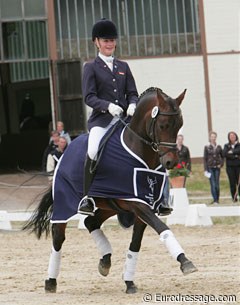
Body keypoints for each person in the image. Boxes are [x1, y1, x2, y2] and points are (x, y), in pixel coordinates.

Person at [78, 18, 138, 215]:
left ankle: (156, 196)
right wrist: (108, 106)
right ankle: (87, 197)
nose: (109, 44)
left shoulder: (123, 66)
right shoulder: (91, 67)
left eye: (112, 40)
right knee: (93, 149)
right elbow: (89, 97)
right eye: (105, 40)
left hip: (124, 120)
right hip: (102, 120)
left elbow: (132, 92)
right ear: (96, 42)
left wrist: (132, 104)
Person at [203, 131, 224, 204]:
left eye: (214, 137)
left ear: (216, 137)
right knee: (213, 184)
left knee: (217, 184)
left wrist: (221, 164)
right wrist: (205, 169)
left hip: (217, 167)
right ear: (210, 138)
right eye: (212, 137)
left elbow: (222, 156)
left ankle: (217, 199)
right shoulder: (207, 147)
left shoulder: (219, 146)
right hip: (210, 167)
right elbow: (205, 158)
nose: (213, 138)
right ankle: (215, 199)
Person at [223, 131, 240, 202]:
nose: (232, 137)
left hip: (238, 166)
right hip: (230, 167)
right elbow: (224, 154)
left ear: (236, 136)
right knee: (232, 183)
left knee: (239, 183)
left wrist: (231, 152)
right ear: (229, 138)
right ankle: (234, 198)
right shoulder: (226, 146)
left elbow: (239, 150)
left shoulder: (239, 145)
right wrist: (236, 156)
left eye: (233, 136)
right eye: (231, 136)